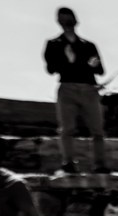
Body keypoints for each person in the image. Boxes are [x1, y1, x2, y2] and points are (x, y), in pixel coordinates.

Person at [43, 7, 108, 174]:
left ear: (76, 21)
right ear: (59, 23)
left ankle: (100, 164)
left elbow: (100, 70)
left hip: (89, 88)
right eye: (64, 21)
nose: (67, 24)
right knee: (67, 128)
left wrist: (94, 64)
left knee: (97, 130)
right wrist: (67, 61)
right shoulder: (54, 44)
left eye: (69, 21)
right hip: (67, 87)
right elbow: (51, 69)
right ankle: (68, 163)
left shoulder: (88, 45)